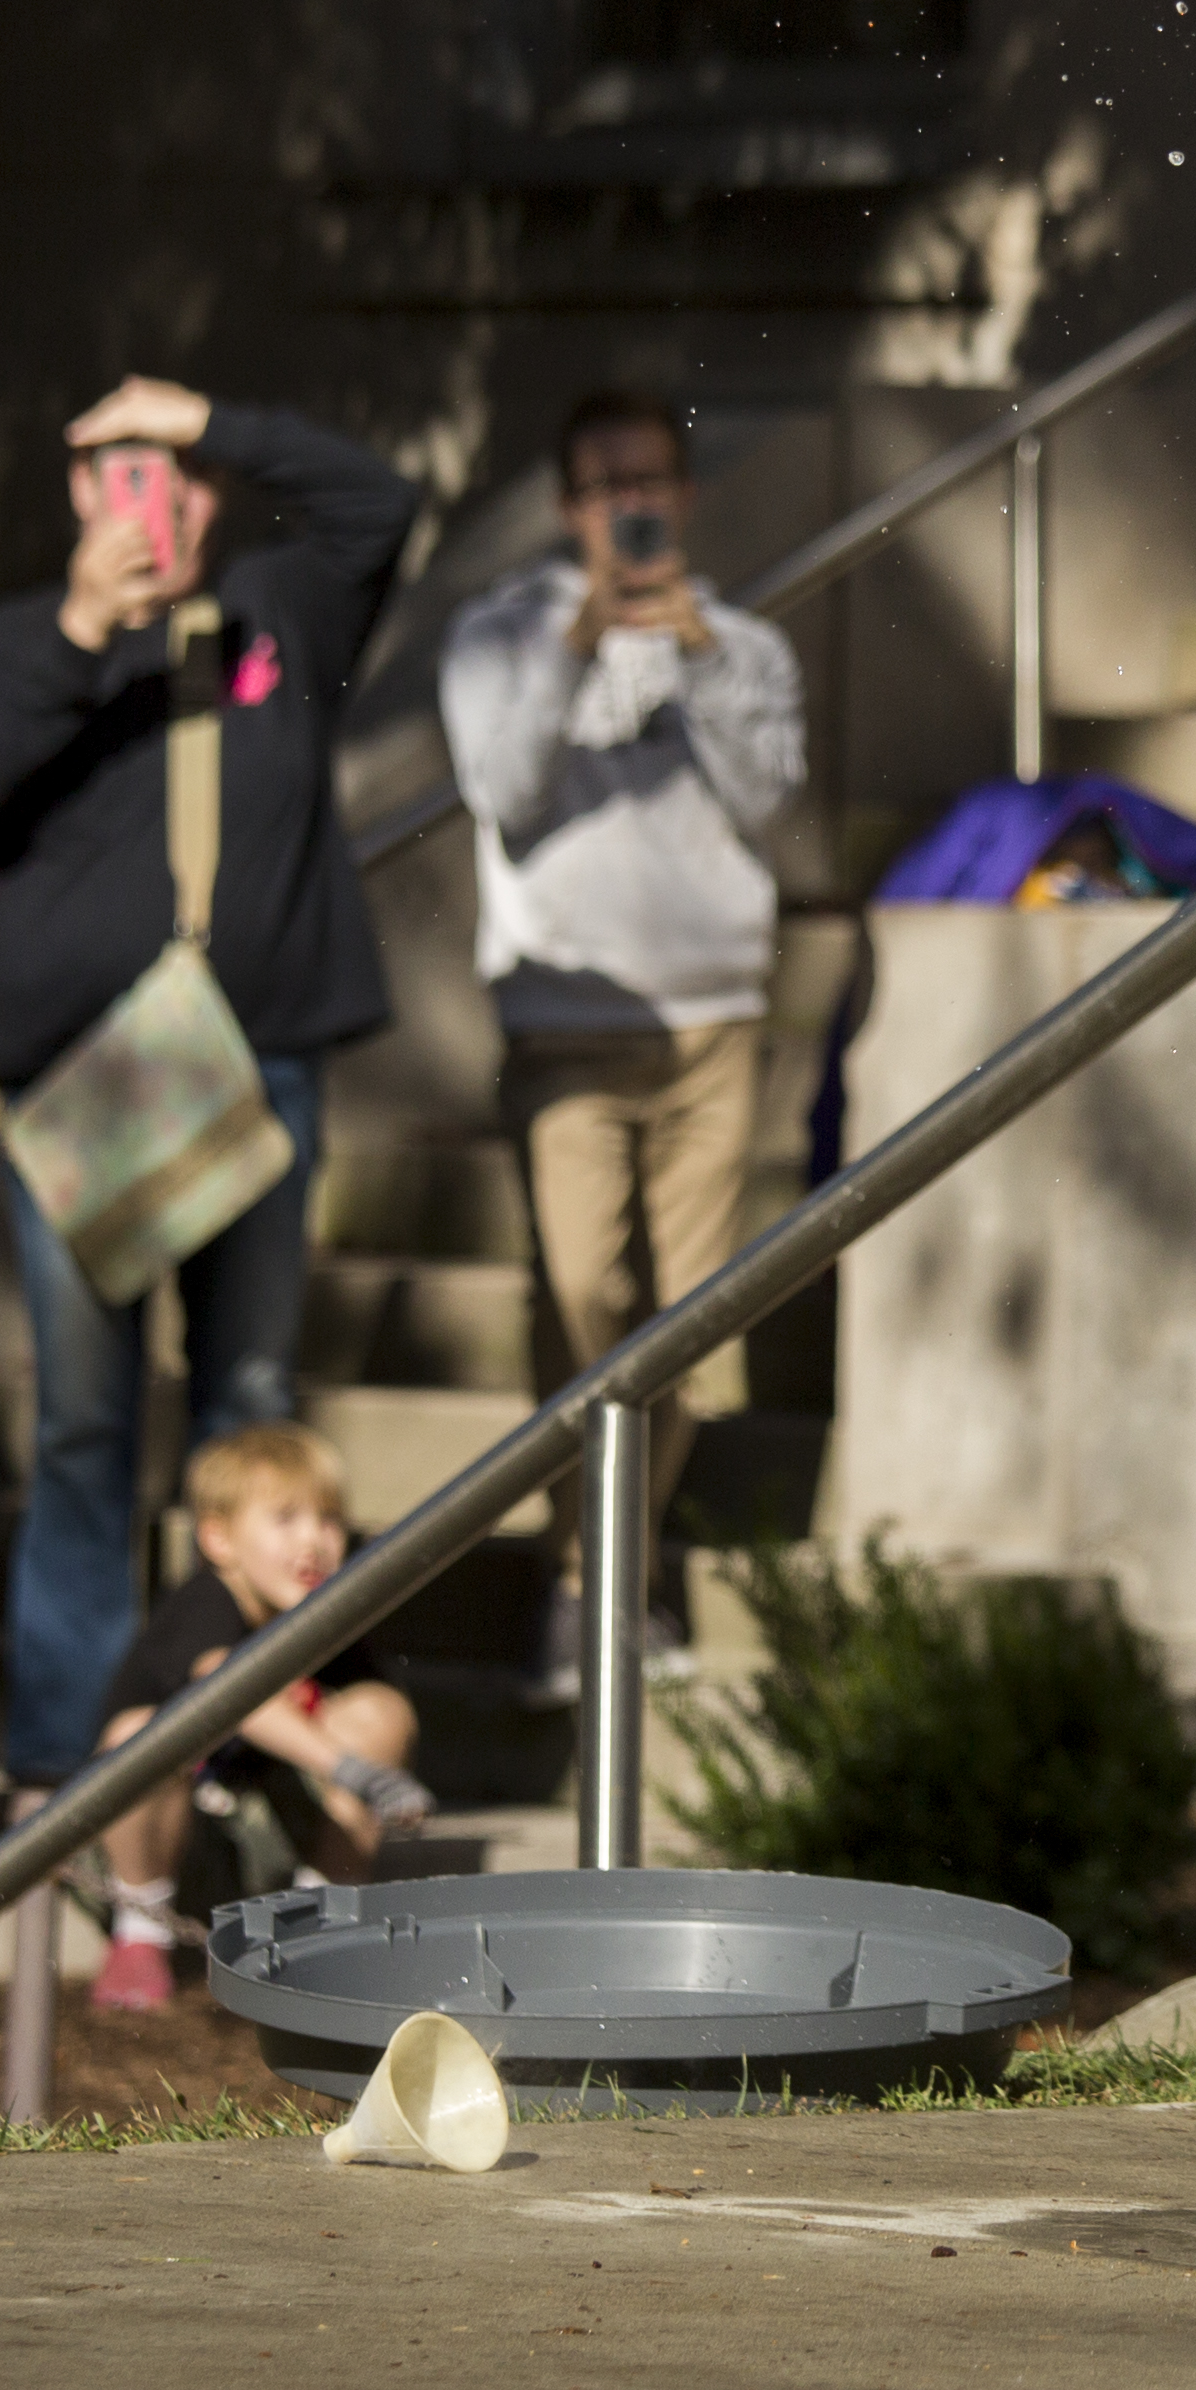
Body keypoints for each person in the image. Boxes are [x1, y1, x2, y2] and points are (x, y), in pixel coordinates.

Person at [0, 377, 422, 1814]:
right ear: (81, 497)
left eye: (182, 477)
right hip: (92, 1080)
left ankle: (229, 1753)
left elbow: (378, 502)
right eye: (129, 477)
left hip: (254, 1062)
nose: (162, 504)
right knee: (86, 1428)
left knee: (248, 1408)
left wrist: (211, 417)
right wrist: (89, 625)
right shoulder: (20, 643)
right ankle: (64, 1769)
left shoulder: (280, 610)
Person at [439, 388, 803, 1685]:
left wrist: (696, 653)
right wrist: (580, 638)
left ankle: (611, 1585)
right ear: (566, 504)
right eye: (602, 487)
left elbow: (769, 795)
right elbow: (498, 787)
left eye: (647, 482)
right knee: (587, 1305)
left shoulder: (744, 642)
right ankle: (589, 1583)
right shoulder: (500, 634)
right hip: (566, 1026)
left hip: (716, 1020)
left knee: (695, 1332)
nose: (627, 508)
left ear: (684, 493)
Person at [82, 1419, 427, 2011]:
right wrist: (344, 1767)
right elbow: (230, 1689)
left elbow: (382, 1726)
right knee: (137, 1737)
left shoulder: (331, 1621)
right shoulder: (205, 1604)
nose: (314, 1541)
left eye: (328, 1519)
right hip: (158, 1844)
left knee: (382, 1711)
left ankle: (323, 1925)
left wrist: (373, 1773)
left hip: (270, 1831)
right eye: (286, 1519)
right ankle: (139, 1937)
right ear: (218, 1540)